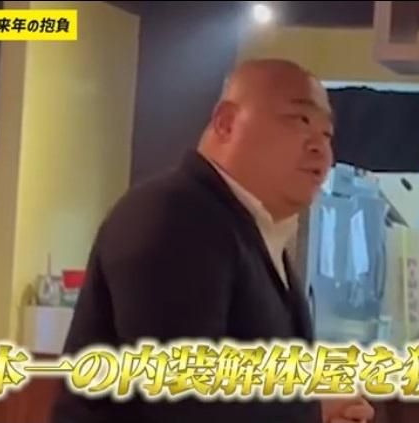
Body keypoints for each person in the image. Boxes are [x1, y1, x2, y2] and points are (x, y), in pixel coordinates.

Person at [51, 59, 376, 423]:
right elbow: (180, 396)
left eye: (327, 134)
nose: (320, 148)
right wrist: (313, 408)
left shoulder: (254, 232)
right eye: (300, 120)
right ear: (226, 123)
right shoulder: (174, 214)